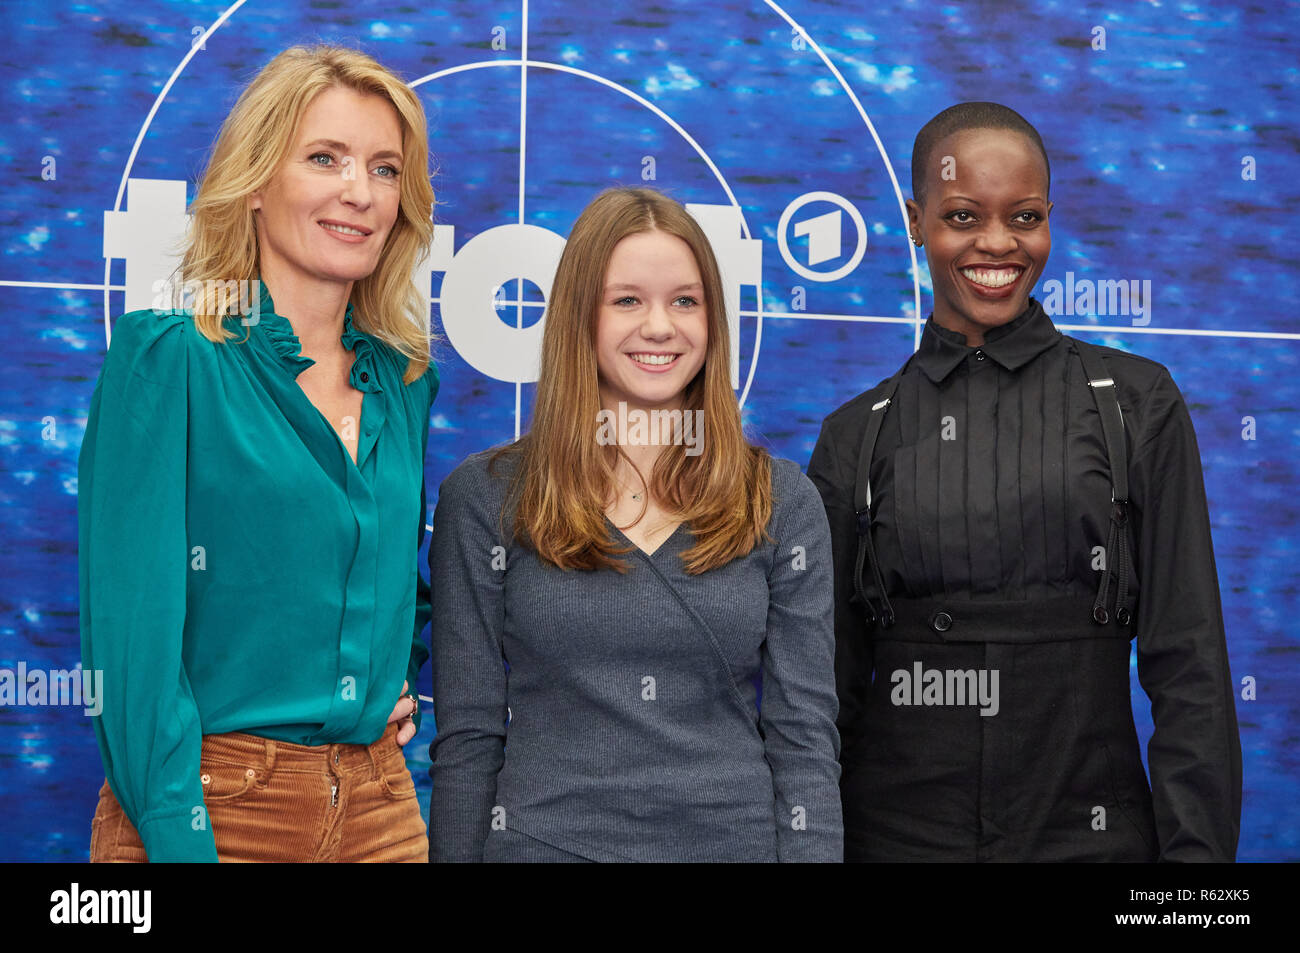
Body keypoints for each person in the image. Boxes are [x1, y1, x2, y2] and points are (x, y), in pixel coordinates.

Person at [808, 102, 1242, 862]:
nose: (998, 243)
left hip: (1092, 839)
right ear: (915, 221)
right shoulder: (855, 434)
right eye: (964, 215)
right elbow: (820, 699)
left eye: (1026, 215)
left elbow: (1191, 665)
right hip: (895, 839)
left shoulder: (1139, 402)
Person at [80, 45, 438, 862]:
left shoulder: (405, 382)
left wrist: (382, 680)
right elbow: (131, 655)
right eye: (325, 158)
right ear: (253, 185)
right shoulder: (168, 359)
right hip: (211, 804)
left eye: (386, 169)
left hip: (382, 808)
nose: (360, 191)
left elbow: (382, 587)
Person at [427, 187, 842, 862]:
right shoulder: (485, 498)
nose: (660, 326)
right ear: (578, 319)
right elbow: (469, 739)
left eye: (685, 300)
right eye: (627, 300)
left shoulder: (781, 500)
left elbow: (804, 739)